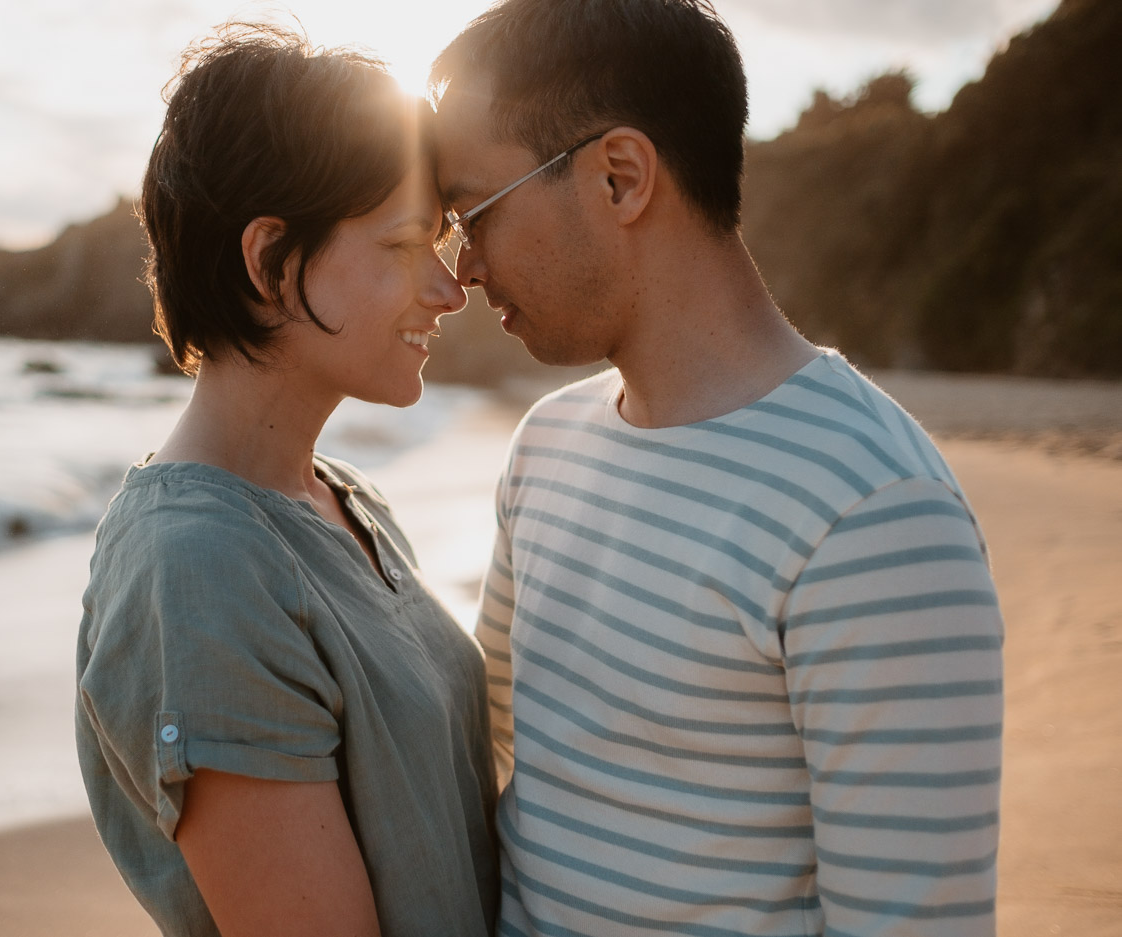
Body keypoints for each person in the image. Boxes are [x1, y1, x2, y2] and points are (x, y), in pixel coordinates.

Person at [428, 1, 1004, 935]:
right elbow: (499, 770)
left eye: (474, 213)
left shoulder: (875, 511)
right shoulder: (545, 448)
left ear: (619, 178)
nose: (463, 270)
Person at [74, 24, 499, 937]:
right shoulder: (198, 569)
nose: (447, 286)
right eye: (400, 245)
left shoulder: (349, 501)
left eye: (441, 240)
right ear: (269, 262)